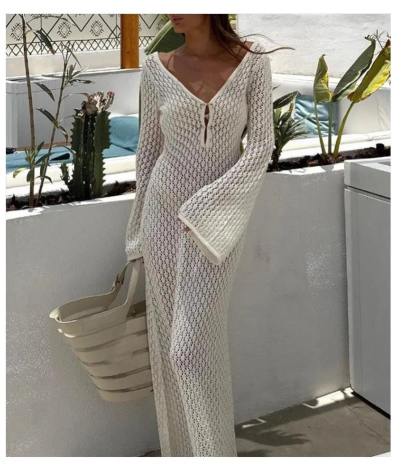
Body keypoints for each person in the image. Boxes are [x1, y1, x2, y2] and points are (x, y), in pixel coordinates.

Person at [125, 14, 276, 457]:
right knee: (171, 352)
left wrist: (210, 207)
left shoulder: (252, 64)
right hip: (161, 219)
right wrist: (136, 234)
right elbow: (148, 154)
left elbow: (261, 147)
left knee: (191, 351)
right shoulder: (156, 68)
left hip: (216, 227)